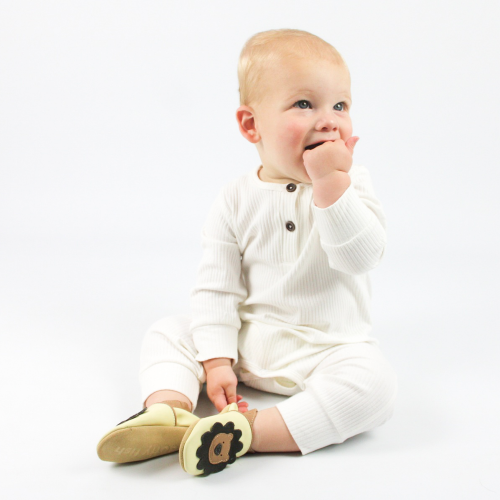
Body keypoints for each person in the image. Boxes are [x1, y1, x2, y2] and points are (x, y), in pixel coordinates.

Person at [97, 28, 398, 476]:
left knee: (375, 387)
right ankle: (169, 410)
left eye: (341, 105)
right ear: (251, 124)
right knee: (168, 332)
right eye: (304, 104)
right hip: (248, 342)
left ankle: (248, 433)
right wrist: (217, 360)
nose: (330, 119)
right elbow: (216, 285)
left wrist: (333, 186)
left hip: (329, 350)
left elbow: (362, 257)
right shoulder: (234, 199)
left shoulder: (353, 185)